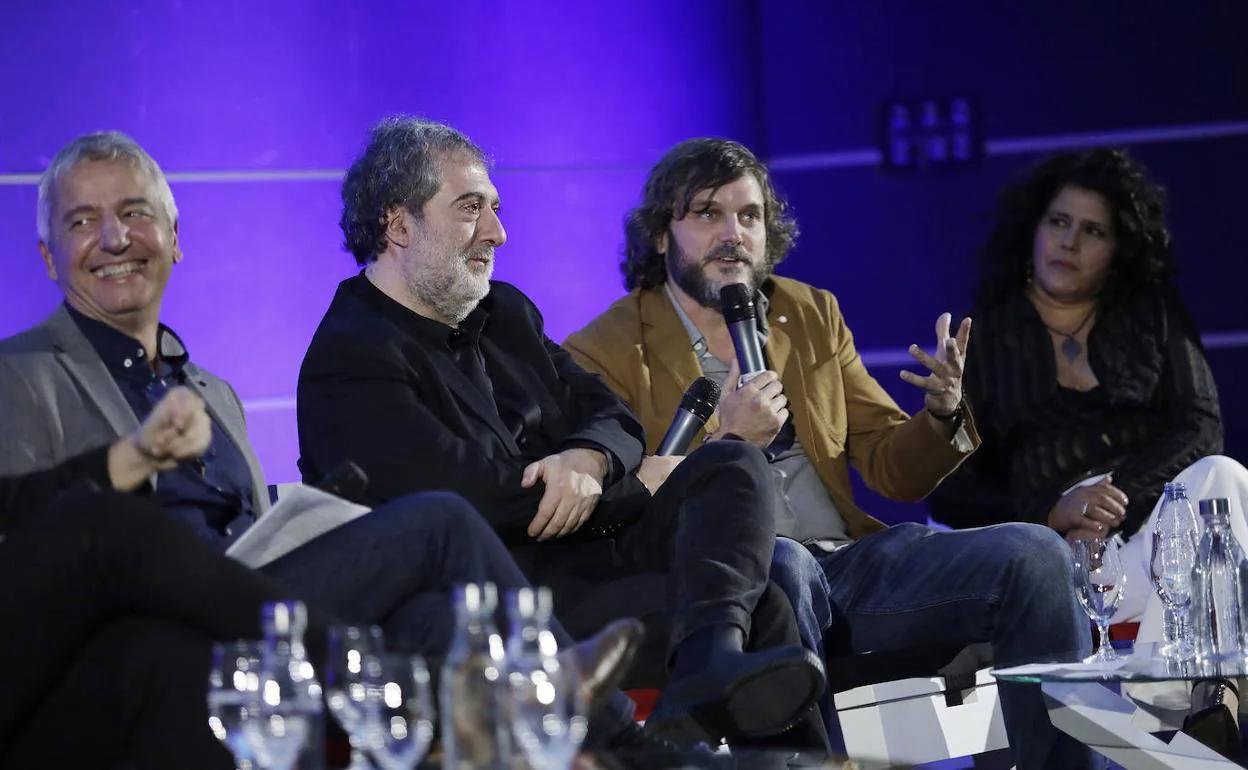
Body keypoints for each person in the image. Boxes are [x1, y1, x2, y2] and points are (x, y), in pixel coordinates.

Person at [0, 131, 651, 757]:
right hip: (134, 636)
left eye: (136, 213)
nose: (116, 238)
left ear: (175, 239)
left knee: (435, 619)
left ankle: (616, 756)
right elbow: (29, 553)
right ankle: (618, 729)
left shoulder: (213, 393)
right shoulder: (17, 376)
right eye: (83, 221)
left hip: (256, 602)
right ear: (49, 256)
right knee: (438, 521)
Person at [562, 137, 1101, 769]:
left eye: (749, 216)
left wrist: (943, 414)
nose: (733, 234)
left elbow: (890, 468)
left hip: (850, 561)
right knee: (781, 569)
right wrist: (728, 438)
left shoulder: (810, 312)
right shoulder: (604, 350)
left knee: (1034, 554)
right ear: (661, 236)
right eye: (707, 214)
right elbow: (629, 507)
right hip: (739, 581)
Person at [296, 116, 827, 750]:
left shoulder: (507, 313)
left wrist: (590, 458)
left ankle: (710, 669)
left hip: (591, 559)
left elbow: (613, 415)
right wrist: (637, 489)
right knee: (761, 603)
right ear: (399, 224)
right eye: (471, 210)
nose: (497, 232)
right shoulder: (352, 356)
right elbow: (467, 500)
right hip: (502, 603)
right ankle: (707, 679)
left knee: (732, 467)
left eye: (495, 208)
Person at [925, 147, 1248, 751]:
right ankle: (1182, 724)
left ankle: (1171, 706)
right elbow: (953, 491)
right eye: (1058, 222)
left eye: (1092, 230)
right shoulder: (987, 335)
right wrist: (1053, 512)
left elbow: (1201, 425)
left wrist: (1111, 500)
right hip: (1051, 563)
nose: (1069, 242)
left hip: (1149, 545)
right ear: (1033, 229)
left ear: (1118, 249)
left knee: (1225, 478)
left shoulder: (1150, 314)